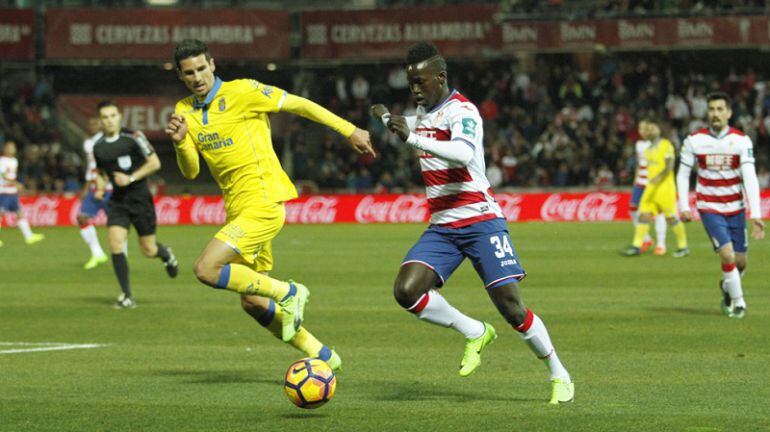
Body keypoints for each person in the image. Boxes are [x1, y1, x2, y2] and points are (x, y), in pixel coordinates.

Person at [371, 42, 573, 404]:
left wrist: (410, 135)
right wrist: (386, 118)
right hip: (443, 227)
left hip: (480, 219)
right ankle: (474, 331)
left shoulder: (462, 111)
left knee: (510, 306)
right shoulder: (422, 114)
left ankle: (559, 372)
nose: (415, 89)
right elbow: (411, 127)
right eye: (410, 82)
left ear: (441, 77)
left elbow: (462, 152)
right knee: (406, 291)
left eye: (421, 81)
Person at [165, 39, 375, 370]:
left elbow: (299, 104)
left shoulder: (243, 92)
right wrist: (179, 144)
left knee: (206, 268)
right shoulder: (183, 111)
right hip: (237, 208)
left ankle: (290, 291)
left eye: (202, 68)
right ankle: (323, 355)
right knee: (252, 301)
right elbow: (190, 171)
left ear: (213, 65)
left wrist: (349, 130)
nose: (197, 77)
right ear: (180, 75)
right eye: (189, 73)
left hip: (263, 201)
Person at [676, 92, 765, 318]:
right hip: (709, 207)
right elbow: (683, 174)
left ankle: (727, 286)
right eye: (712, 110)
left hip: (736, 208)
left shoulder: (741, 141)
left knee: (741, 262)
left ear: (729, 113)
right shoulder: (694, 140)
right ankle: (739, 302)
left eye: (720, 109)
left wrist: (756, 215)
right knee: (727, 256)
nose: (715, 114)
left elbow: (750, 177)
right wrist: (684, 205)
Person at [93, 101, 179, 309]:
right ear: (100, 121)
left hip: (140, 199)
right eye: (105, 117)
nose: (110, 120)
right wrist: (100, 187)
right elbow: (103, 174)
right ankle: (126, 295)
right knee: (115, 242)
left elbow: (155, 163)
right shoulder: (99, 147)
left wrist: (130, 178)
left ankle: (165, 253)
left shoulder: (134, 137)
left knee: (148, 250)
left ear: (120, 116)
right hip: (118, 203)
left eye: (113, 115)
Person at [622, 117, 689, 257]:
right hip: (650, 188)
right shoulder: (648, 150)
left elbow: (670, 165)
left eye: (653, 128)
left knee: (671, 218)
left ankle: (683, 247)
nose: (650, 131)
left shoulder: (666, 145)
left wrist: (660, 176)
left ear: (659, 130)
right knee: (643, 215)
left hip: (665, 189)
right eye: (649, 129)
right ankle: (636, 245)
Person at [627, 119, 667, 255]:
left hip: (654, 184)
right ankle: (646, 239)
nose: (642, 131)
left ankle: (661, 244)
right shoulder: (638, 144)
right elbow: (639, 164)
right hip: (640, 182)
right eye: (640, 129)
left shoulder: (658, 144)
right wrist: (635, 179)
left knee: (658, 212)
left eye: (645, 129)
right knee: (632, 208)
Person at [77, 117, 109, 270]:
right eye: (90, 123)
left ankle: (122, 255)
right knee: (82, 218)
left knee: (116, 224)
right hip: (93, 187)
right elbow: (91, 166)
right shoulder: (88, 143)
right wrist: (86, 186)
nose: (92, 125)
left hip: (110, 189)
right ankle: (97, 253)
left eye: (95, 122)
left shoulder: (108, 141)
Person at [0, 140, 45, 247]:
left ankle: (29, 236)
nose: (12, 149)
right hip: (3, 191)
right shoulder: (2, 161)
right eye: (10, 147)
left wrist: (15, 186)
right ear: (5, 149)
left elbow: (11, 176)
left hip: (12, 192)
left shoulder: (14, 161)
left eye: (13, 147)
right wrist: (16, 184)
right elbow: (3, 176)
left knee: (19, 213)